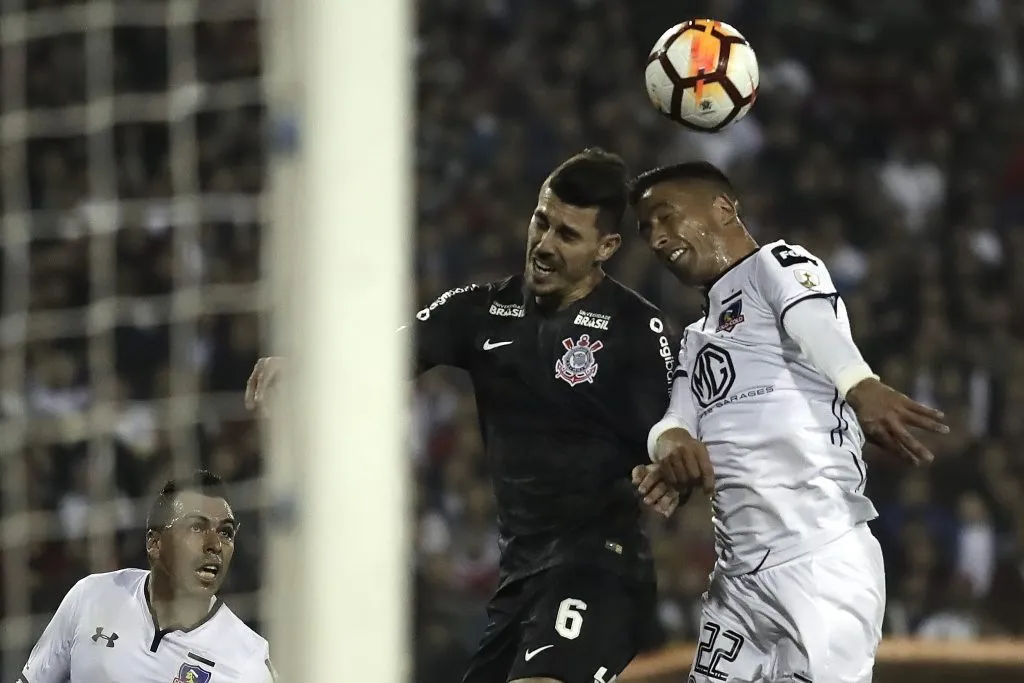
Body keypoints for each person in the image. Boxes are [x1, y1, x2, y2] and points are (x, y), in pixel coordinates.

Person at [246, 148, 712, 683]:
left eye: (567, 235)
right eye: (542, 221)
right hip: (519, 580)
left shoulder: (636, 327)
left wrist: (668, 470)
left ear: (605, 247)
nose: (544, 244)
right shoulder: (481, 309)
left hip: (599, 569)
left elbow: (671, 430)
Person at [628, 161, 949, 683]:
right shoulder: (696, 336)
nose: (657, 238)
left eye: (666, 217)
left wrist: (859, 382)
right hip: (736, 583)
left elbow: (812, 320)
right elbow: (671, 423)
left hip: (819, 560)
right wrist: (671, 448)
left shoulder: (776, 264)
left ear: (723, 208)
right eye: (646, 230)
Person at [19, 470, 275, 683]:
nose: (215, 545)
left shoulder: (248, 663)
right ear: (154, 543)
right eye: (196, 527)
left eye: (226, 532)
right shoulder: (92, 597)